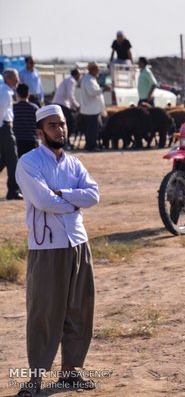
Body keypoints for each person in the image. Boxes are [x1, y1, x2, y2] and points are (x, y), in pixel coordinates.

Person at [14, 104, 99, 397]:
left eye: (62, 124)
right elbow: (42, 201)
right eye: (52, 125)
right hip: (47, 247)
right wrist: (74, 203)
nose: (59, 130)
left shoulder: (74, 163)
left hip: (78, 242)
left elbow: (94, 195)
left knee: (80, 310)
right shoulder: (29, 162)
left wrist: (63, 194)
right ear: (40, 132)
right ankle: (35, 379)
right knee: (44, 312)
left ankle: (70, 373)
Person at [0, 68, 22, 200]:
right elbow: (1, 110)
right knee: (13, 159)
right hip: (4, 127)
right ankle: (13, 191)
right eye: (15, 77)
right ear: (7, 78)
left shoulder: (4, 90)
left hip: (4, 127)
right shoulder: (6, 92)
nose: (17, 80)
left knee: (4, 159)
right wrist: (2, 127)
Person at [81, 62, 107, 152]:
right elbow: (92, 92)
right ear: (91, 70)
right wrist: (103, 89)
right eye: (96, 69)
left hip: (93, 109)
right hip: (91, 110)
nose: (98, 71)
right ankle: (91, 146)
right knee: (92, 129)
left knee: (94, 128)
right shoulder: (88, 80)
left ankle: (91, 145)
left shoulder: (91, 79)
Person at [52, 69, 80, 145]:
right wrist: (77, 106)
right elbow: (70, 96)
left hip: (59, 103)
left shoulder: (68, 80)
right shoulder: (72, 81)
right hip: (62, 104)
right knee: (69, 123)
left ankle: (64, 140)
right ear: (76, 75)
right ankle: (65, 141)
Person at [13, 83, 40, 157]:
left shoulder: (13, 108)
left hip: (18, 141)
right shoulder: (34, 108)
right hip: (32, 140)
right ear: (28, 94)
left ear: (17, 95)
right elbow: (39, 124)